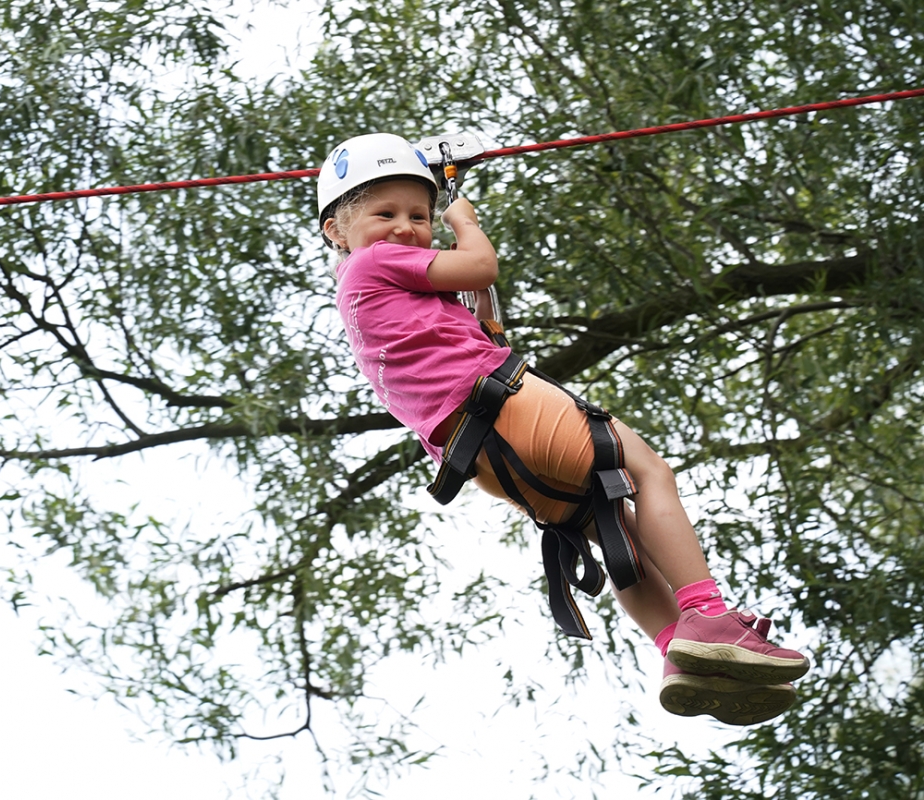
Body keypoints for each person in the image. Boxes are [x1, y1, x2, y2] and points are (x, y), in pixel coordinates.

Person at [318, 132, 810, 726]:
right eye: (384, 214)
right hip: (503, 406)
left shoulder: (369, 295)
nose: (405, 227)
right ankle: (707, 612)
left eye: (418, 216)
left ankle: (678, 653)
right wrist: (463, 220)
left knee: (610, 527)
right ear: (336, 232)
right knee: (648, 471)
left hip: (476, 455)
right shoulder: (371, 262)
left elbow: (466, 300)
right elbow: (480, 264)